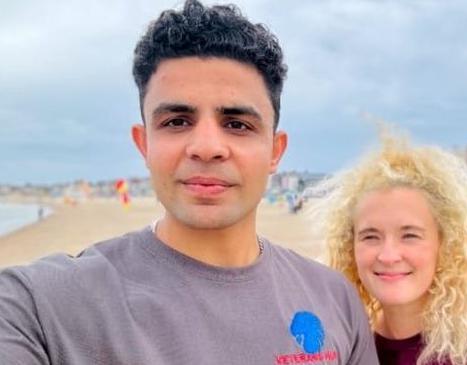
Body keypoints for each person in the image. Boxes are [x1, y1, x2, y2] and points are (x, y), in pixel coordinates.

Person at [0, 1, 378, 364]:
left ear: (275, 151)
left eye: (237, 124)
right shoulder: (38, 307)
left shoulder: (334, 300)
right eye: (177, 121)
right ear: (144, 143)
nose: (207, 148)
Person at [317, 129, 467, 365]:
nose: (388, 255)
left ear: (446, 244)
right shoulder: (341, 348)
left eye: (409, 235)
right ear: (349, 248)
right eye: (370, 236)